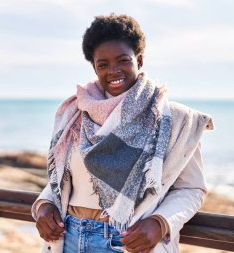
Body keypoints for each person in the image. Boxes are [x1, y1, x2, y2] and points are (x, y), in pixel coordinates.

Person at [31, 14, 213, 253]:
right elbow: (64, 179)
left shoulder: (174, 119)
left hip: (130, 242)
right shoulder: (75, 113)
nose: (113, 71)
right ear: (94, 67)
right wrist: (44, 206)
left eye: (123, 61)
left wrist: (160, 223)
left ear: (139, 59)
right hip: (69, 238)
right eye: (103, 64)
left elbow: (191, 189)